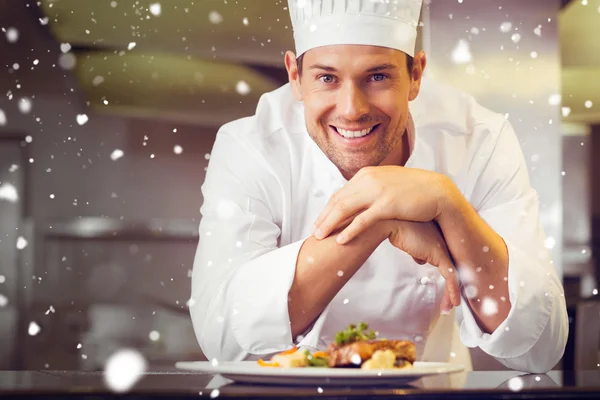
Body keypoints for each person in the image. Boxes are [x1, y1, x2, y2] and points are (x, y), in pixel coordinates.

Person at [189, 0, 568, 373]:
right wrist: (378, 222)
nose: (352, 109)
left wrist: (450, 206)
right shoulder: (251, 146)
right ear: (295, 76)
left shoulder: (477, 140)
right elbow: (224, 339)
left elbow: (539, 347)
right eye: (327, 78)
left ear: (416, 75)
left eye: (378, 76)